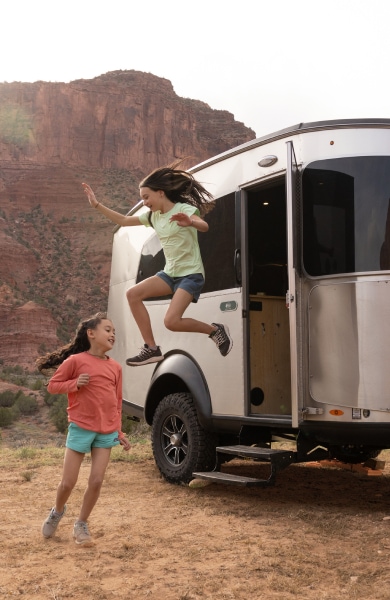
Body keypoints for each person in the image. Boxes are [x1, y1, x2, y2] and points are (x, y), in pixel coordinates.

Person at [81, 161, 233, 367]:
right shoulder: (153, 217)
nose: (144, 202)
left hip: (190, 274)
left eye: (146, 197)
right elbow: (124, 221)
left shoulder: (183, 208)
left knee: (171, 322)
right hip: (170, 274)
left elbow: (204, 226)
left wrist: (191, 222)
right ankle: (151, 348)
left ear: (160, 193)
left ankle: (214, 331)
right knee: (132, 294)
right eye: (142, 198)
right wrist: (96, 205)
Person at [37, 312, 131, 547]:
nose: (112, 334)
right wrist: (74, 384)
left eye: (114, 332)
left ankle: (81, 524)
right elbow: (52, 386)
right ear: (91, 333)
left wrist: (119, 432)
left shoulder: (116, 368)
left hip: (106, 431)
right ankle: (57, 511)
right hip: (80, 428)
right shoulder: (75, 361)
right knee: (68, 483)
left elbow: (116, 402)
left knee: (97, 481)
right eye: (107, 330)